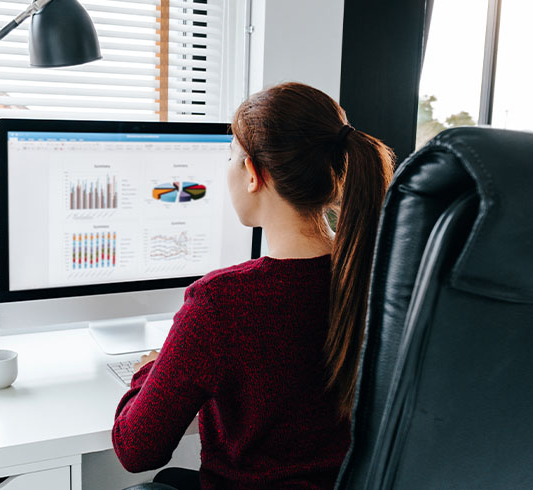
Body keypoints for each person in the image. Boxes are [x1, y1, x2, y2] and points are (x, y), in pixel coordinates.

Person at [112, 82, 394, 489]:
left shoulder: (221, 303)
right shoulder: (376, 278)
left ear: (251, 174)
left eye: (230, 156)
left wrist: (150, 372)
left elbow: (135, 449)